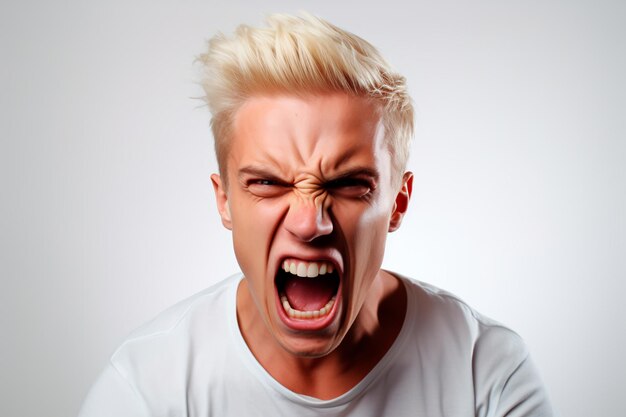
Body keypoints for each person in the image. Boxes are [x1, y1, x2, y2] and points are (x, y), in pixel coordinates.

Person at [78, 13, 554, 417]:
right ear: (224, 200)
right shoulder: (146, 390)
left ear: (398, 203)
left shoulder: (485, 373)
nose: (310, 224)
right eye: (267, 183)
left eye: (348, 184)